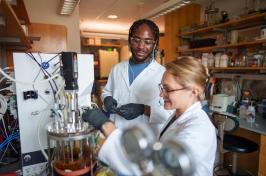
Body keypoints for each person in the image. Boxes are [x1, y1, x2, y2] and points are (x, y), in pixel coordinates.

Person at [83, 57, 217, 176]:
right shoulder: (178, 116)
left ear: (193, 91)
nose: (161, 95)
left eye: (168, 89)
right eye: (161, 87)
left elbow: (158, 169)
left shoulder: (199, 131)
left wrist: (107, 126)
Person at [101, 19, 172, 135]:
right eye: (136, 40)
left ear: (155, 44)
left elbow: (170, 114)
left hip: (147, 141)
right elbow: (107, 91)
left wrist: (144, 109)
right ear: (129, 40)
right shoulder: (117, 69)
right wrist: (107, 99)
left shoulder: (163, 74)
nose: (141, 47)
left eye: (147, 42)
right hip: (117, 135)